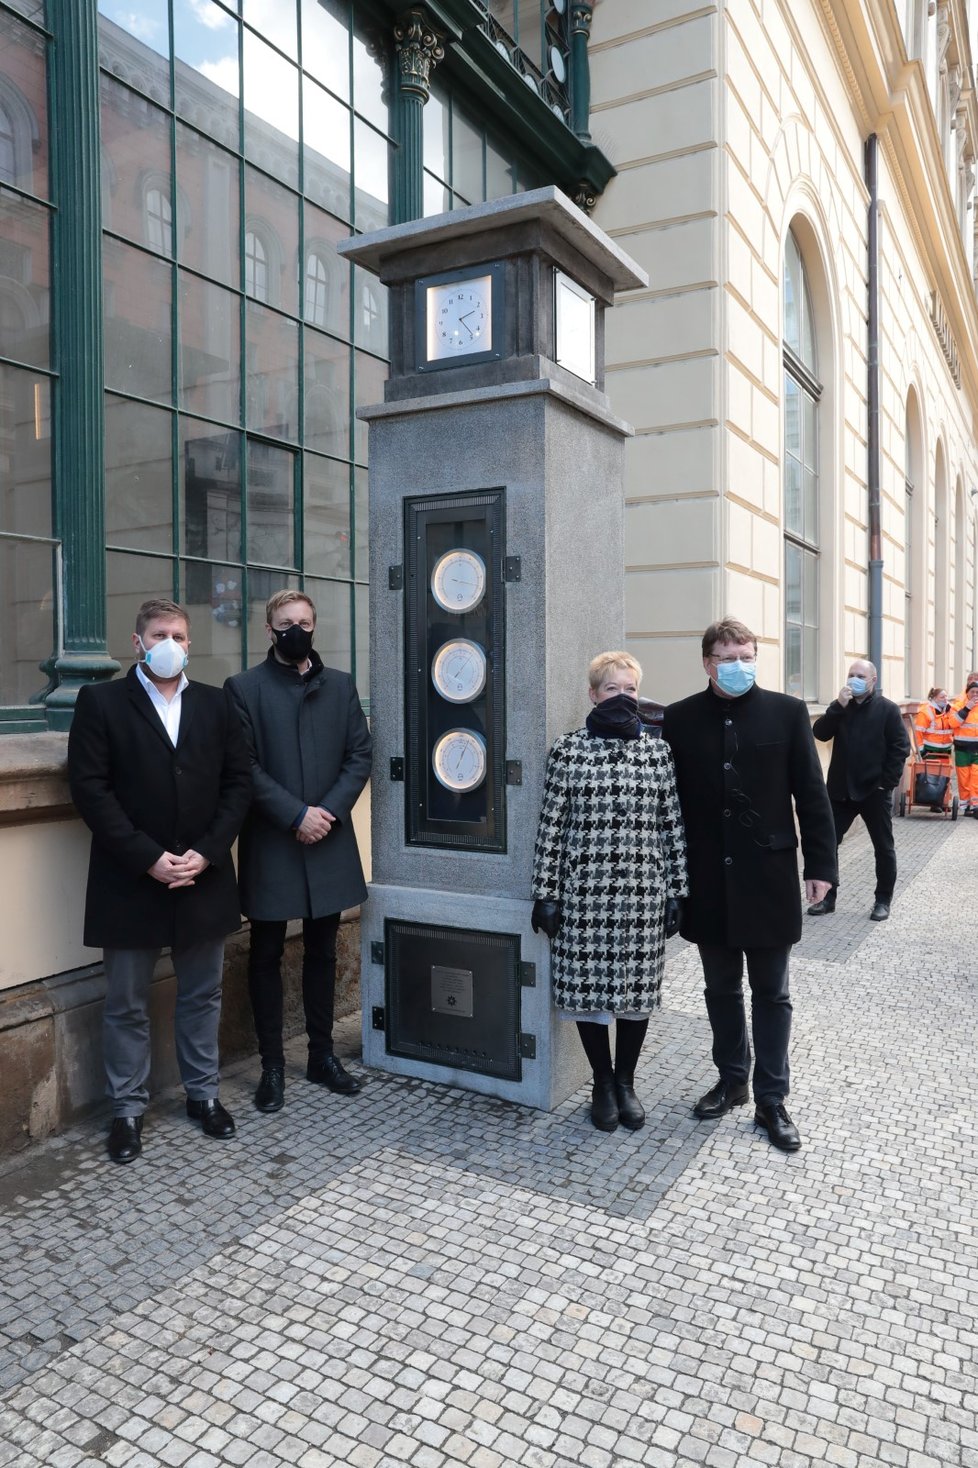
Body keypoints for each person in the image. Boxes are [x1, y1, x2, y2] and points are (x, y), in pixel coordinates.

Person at [67, 598, 252, 1164]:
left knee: (203, 993)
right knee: (125, 1002)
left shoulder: (217, 704)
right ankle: (126, 1109)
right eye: (158, 633)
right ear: (138, 641)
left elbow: (238, 785)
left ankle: (203, 1096)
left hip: (204, 875)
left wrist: (208, 851)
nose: (169, 641)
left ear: (190, 643)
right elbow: (90, 789)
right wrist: (147, 857)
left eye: (178, 633)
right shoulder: (100, 701)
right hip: (130, 879)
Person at [662, 618, 836, 1153]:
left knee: (772, 992)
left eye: (746, 654)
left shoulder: (786, 712)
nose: (737, 664)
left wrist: (822, 867)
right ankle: (732, 1080)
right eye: (726, 655)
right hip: (709, 880)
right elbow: (668, 804)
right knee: (719, 988)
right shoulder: (680, 718)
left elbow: (811, 794)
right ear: (707, 662)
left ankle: (771, 1100)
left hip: (769, 876)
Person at [226, 590, 372, 1114]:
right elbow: (243, 766)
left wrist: (326, 812)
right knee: (264, 951)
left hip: (327, 836)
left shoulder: (340, 685)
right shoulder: (243, 688)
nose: (296, 630)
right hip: (273, 837)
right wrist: (295, 815)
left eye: (305, 622)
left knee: (324, 949)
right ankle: (271, 1065)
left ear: (315, 626)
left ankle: (321, 1054)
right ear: (270, 629)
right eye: (286, 622)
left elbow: (360, 754)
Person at [530, 651, 688, 1133]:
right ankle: (601, 1082)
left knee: (637, 992)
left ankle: (627, 1081)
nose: (623, 697)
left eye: (631, 689)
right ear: (593, 694)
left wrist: (677, 890)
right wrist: (546, 891)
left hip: (644, 891)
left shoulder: (657, 751)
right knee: (589, 991)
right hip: (584, 891)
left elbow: (671, 822)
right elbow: (552, 824)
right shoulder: (568, 749)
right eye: (612, 689)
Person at [809, 658, 910, 920]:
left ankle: (883, 900)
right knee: (828, 844)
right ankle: (826, 898)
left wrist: (885, 783)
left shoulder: (887, 710)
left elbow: (900, 748)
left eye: (861, 676)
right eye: (851, 674)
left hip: (873, 792)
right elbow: (819, 733)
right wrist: (837, 706)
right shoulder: (842, 707)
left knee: (883, 848)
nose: (855, 679)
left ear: (873, 681)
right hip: (841, 791)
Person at [950, 679, 978, 815]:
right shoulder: (958, 706)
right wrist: (967, 708)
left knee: (976, 776)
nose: (975, 694)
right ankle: (965, 806)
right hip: (962, 748)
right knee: (963, 778)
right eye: (972, 692)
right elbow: (953, 723)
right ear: (967, 693)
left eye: (977, 692)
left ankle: (975, 805)